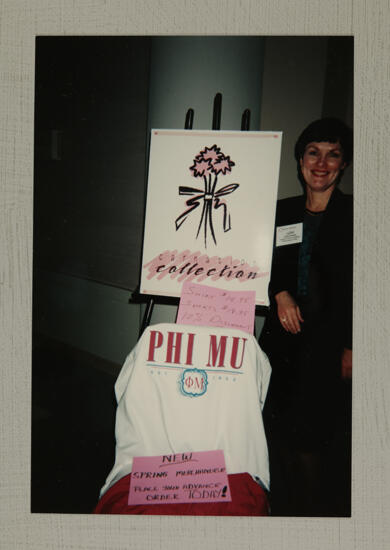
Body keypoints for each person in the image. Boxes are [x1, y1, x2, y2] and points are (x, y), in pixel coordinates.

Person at [259, 117, 353, 516]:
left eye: (333, 155)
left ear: (344, 164)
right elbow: (267, 266)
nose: (321, 163)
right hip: (281, 340)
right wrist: (279, 291)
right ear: (299, 160)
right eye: (313, 152)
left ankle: (314, 518)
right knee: (276, 429)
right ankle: (281, 507)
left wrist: (354, 347)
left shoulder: (357, 214)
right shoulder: (282, 211)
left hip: (329, 346)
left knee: (313, 438)